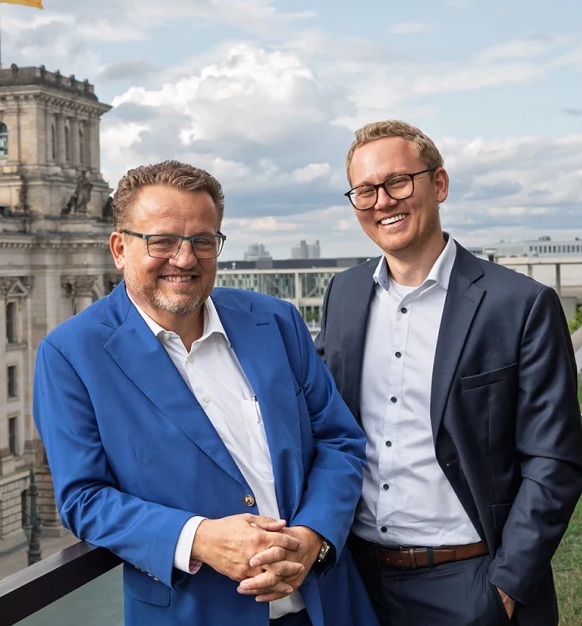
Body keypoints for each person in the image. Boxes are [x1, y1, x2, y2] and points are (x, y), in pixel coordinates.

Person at [34, 161, 379, 626]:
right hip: (196, 613)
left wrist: (313, 536)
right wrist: (198, 538)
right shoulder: (71, 352)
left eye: (202, 240)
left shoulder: (275, 320)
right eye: (161, 241)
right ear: (120, 248)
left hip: (325, 605)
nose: (185, 257)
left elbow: (339, 440)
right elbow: (84, 499)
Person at [316, 120, 582, 625]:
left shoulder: (520, 305)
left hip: (470, 584)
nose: (382, 202)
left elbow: (555, 462)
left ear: (438, 184)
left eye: (398, 182)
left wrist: (505, 585)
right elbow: (321, 424)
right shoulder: (343, 295)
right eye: (365, 190)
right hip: (356, 581)